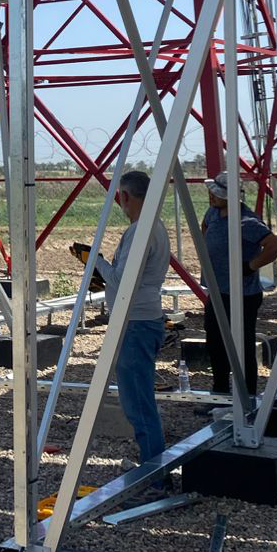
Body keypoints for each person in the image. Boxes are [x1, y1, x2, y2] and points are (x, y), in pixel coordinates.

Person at [102, 169, 172, 469]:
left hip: (137, 322)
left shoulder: (141, 230)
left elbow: (121, 281)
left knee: (139, 404)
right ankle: (150, 464)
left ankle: (154, 474)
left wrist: (94, 261)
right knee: (140, 400)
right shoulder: (155, 227)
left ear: (125, 196)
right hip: (145, 319)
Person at [199, 171, 277, 399]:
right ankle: (220, 391)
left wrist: (250, 266)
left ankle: (246, 396)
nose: (211, 197)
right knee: (215, 340)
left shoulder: (246, 222)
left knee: (242, 345)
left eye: (216, 194)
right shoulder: (213, 213)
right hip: (218, 290)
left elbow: (275, 246)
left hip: (242, 294)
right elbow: (204, 228)